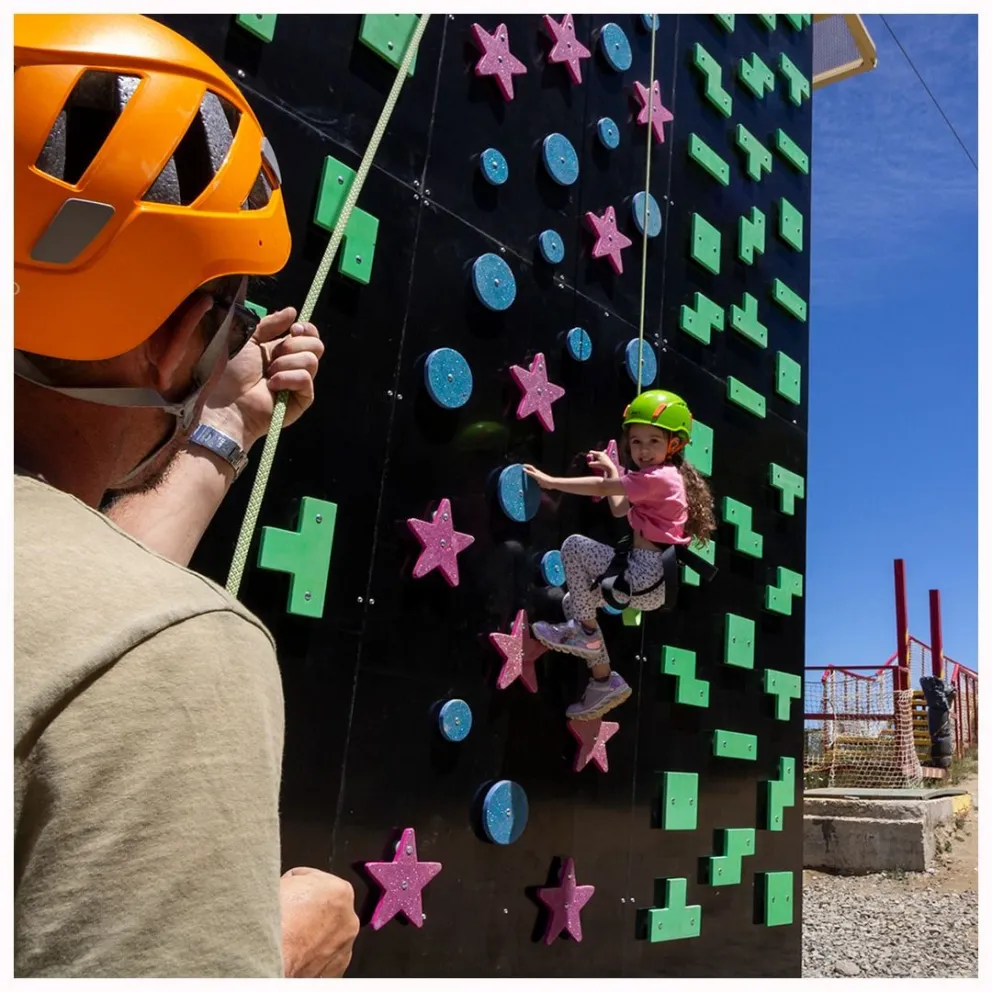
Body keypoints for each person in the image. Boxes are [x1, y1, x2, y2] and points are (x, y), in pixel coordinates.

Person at [14, 14, 358, 978]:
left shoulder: (102, 625)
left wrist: (227, 429)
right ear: (178, 341)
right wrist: (279, 946)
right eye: (226, 314)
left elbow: (81, 608)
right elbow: (111, 639)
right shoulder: (177, 653)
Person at [523, 390, 716, 721]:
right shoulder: (654, 479)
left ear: (674, 445)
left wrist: (551, 481)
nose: (643, 450)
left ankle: (582, 634)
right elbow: (619, 507)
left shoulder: (661, 478)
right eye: (636, 441)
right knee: (574, 602)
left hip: (644, 574)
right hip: (646, 579)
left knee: (574, 546)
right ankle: (603, 679)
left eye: (654, 441)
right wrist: (614, 470)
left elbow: (602, 492)